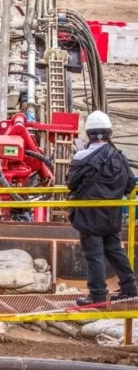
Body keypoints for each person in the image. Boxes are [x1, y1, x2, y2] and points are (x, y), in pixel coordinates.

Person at [67, 111, 138, 307]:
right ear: (109, 133)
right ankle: (130, 289)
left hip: (89, 217)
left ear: (89, 134)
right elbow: (130, 185)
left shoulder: (82, 156)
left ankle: (98, 296)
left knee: (94, 255)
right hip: (111, 215)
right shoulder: (118, 157)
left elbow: (71, 183)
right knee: (116, 251)